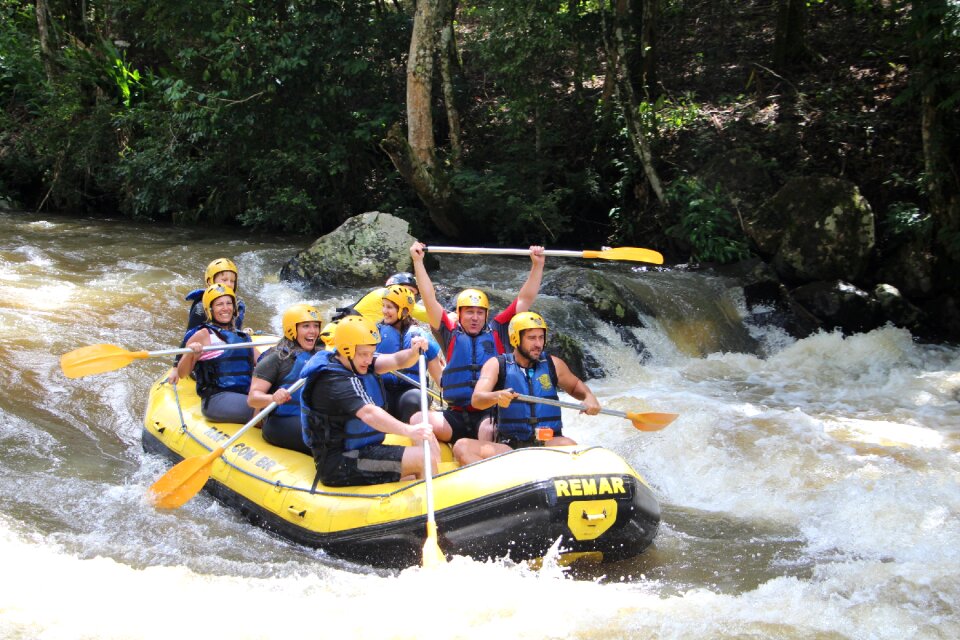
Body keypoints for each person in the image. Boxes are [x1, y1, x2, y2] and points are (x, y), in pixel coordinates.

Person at [408, 240, 546, 453]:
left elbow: (524, 299)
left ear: (486, 315)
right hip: (455, 414)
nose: (474, 318)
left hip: (488, 413)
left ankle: (487, 468)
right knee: (418, 418)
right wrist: (418, 261)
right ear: (459, 314)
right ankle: (432, 469)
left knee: (487, 431)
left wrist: (537, 265)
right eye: (469, 312)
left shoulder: (499, 330)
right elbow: (428, 297)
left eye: (479, 312)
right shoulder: (449, 331)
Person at [299, 315, 440, 487]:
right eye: (364, 354)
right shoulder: (333, 381)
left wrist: (413, 351)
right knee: (422, 459)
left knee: (426, 448)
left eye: (371, 353)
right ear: (346, 350)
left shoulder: (357, 361)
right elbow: (369, 413)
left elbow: (397, 360)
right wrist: (408, 430)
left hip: (364, 450)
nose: (369, 359)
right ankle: (438, 508)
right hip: (341, 463)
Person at [458, 311, 601, 464]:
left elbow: (575, 387)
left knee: (569, 444)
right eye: (532, 338)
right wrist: (496, 396)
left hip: (547, 441)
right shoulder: (496, 365)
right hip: (510, 447)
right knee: (462, 447)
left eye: (541, 337)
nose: (538, 344)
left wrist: (589, 397)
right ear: (515, 338)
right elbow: (477, 399)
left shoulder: (553, 364)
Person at [246, 303, 321, 455]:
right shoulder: (275, 358)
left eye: (316, 326)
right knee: (324, 436)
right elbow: (253, 399)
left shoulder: (320, 356)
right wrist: (272, 398)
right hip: (279, 422)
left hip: (308, 417)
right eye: (306, 326)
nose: (313, 331)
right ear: (291, 329)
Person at [176, 283, 255, 424]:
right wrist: (190, 354)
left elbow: (263, 360)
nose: (225, 308)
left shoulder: (243, 337)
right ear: (210, 309)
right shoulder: (203, 334)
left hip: (243, 393)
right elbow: (182, 373)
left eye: (229, 303)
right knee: (268, 410)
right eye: (219, 304)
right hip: (216, 399)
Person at [170, 258, 247, 383]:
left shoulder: (237, 304)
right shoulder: (201, 307)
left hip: (226, 352)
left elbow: (234, 332)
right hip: (205, 359)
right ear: (210, 281)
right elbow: (188, 338)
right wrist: (175, 367)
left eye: (232, 281)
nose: (228, 284)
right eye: (224, 280)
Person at [375, 284, 443, 422]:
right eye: (383, 305)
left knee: (412, 401)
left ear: (404, 311)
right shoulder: (374, 333)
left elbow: (440, 377)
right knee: (374, 397)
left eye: (389, 307)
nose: (384, 311)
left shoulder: (420, 336)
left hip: (411, 391)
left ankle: (413, 435)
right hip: (383, 390)